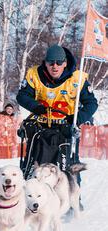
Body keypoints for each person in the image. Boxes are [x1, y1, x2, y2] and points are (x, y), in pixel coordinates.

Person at [16, 44, 98, 186]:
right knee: (34, 166)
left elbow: (91, 103)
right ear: (45, 63)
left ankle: (73, 200)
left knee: (69, 168)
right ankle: (30, 196)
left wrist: (77, 119)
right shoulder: (34, 75)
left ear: (65, 63)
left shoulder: (77, 79)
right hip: (41, 127)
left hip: (66, 129)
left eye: (59, 63)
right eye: (51, 62)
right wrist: (35, 107)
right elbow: (22, 96)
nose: (55, 66)